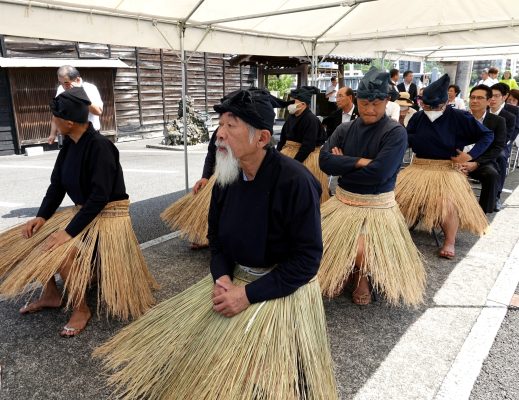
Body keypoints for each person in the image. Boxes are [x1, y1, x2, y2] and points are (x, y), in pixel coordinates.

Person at [95, 88, 338, 400]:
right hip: (235, 279)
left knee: (268, 379)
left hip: (280, 287)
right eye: (219, 125)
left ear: (262, 138)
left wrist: (247, 295)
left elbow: (307, 261)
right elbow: (217, 239)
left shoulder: (296, 182)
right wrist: (221, 276)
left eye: (230, 126)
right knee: (195, 358)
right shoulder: (227, 175)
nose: (219, 136)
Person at [0, 87, 157, 337]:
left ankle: (81, 308)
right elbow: (56, 187)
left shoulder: (101, 147)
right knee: (36, 237)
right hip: (83, 213)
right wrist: (41, 217)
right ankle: (52, 294)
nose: (52, 122)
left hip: (108, 217)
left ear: (69, 121)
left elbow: (99, 197)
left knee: (62, 250)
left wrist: (68, 233)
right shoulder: (68, 148)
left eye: (55, 118)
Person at [318, 67, 425, 306]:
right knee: (315, 240)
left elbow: (381, 173)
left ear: (386, 101)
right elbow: (324, 162)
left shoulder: (395, 132)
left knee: (361, 246)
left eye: (376, 103)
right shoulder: (344, 128)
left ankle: (361, 275)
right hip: (343, 200)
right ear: (357, 101)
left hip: (377, 205)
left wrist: (343, 162)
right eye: (365, 103)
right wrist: (359, 161)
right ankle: (340, 270)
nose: (369, 109)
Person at [161, 92, 290, 249]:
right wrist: (205, 177)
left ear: (262, 138)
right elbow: (211, 154)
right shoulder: (220, 136)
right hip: (223, 175)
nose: (221, 133)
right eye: (222, 124)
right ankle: (207, 236)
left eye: (230, 125)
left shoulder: (290, 182)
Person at [395, 74, 493, 260]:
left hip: (446, 169)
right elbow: (406, 138)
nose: (430, 109)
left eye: (434, 106)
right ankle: (394, 232)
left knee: (446, 203)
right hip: (418, 167)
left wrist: (470, 156)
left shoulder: (460, 117)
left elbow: (487, 136)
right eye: (426, 105)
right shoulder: (417, 117)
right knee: (395, 198)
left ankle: (450, 241)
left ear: (445, 103)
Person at [277, 86, 330, 202]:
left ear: (303, 104)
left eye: (294, 101)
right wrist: (277, 156)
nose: (291, 104)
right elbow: (282, 139)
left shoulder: (311, 119)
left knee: (304, 193)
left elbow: (308, 146)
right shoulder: (290, 118)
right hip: (288, 153)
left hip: (306, 157)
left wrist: (294, 164)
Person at [460, 85, 506, 213]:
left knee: (491, 174)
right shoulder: (461, 117)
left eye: (479, 98)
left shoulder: (498, 121)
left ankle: (482, 213)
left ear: (488, 101)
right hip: (457, 158)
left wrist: (476, 163)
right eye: (472, 97)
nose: (474, 101)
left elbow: (498, 147)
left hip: (481, 161)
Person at [47, 65, 103, 144]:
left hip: (90, 135)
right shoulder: (61, 89)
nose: (64, 86)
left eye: (66, 83)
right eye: (61, 83)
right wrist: (52, 134)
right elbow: (56, 113)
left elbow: (98, 111)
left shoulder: (90, 88)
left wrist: (80, 95)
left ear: (77, 79)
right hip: (70, 136)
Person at [490, 82, 519, 211]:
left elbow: (512, 133)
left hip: (502, 145)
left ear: (504, 96)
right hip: (479, 144)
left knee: (501, 157)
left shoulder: (512, 111)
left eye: (496, 96)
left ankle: (497, 196)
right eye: (490, 95)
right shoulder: (483, 107)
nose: (493, 99)